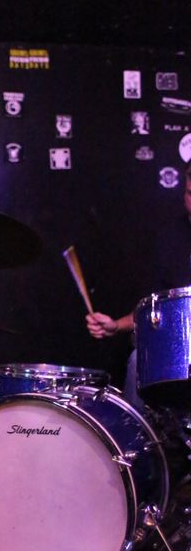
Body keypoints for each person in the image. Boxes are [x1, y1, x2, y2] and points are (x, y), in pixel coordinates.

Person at [86, 163, 191, 406]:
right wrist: (115, 326)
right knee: (138, 361)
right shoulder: (169, 238)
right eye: (190, 193)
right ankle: (137, 431)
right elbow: (152, 310)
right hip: (181, 348)